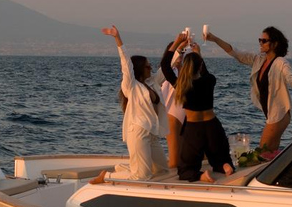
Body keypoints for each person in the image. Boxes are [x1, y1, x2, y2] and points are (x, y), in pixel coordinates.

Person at [207, 27, 292, 151]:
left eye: (264, 40)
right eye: (260, 40)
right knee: (271, 152)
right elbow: (235, 52)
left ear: (274, 44)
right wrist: (214, 39)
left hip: (279, 113)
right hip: (272, 112)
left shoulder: (281, 62)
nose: (260, 43)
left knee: (262, 151)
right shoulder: (259, 60)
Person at [91, 25, 168, 184]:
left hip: (151, 133)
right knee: (142, 176)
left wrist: (181, 46)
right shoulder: (131, 86)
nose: (150, 68)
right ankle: (106, 176)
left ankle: (122, 168)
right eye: (147, 66)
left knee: (163, 170)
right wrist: (117, 38)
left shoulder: (151, 82)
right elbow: (126, 64)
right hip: (138, 132)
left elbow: (166, 67)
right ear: (140, 69)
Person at [161, 32, 234, 183]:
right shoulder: (210, 80)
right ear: (199, 65)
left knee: (186, 170)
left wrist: (177, 43)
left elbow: (165, 66)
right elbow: (204, 72)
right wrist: (198, 53)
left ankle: (202, 176)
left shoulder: (183, 86)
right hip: (213, 125)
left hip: (194, 129)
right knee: (220, 159)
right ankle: (225, 166)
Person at [161, 41, 188, 169]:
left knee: (183, 156)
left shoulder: (184, 73)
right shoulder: (167, 74)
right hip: (173, 116)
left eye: (183, 53)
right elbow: (166, 66)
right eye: (179, 52)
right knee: (174, 160)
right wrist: (179, 44)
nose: (181, 56)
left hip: (186, 117)